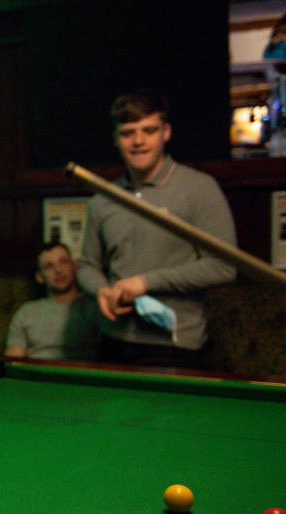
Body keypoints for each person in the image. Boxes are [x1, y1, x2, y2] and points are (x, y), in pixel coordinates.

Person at [76, 90, 237, 368]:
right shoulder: (102, 199)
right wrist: (102, 290)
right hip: (112, 339)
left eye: (148, 131)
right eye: (128, 133)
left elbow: (223, 266)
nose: (138, 141)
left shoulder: (200, 189)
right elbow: (86, 266)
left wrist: (145, 283)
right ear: (116, 139)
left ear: (166, 132)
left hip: (175, 345)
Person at [5, 242, 101, 360]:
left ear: (74, 267)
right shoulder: (26, 313)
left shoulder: (94, 308)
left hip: (82, 374)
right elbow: (12, 361)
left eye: (63, 262)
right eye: (49, 266)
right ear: (40, 277)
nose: (58, 270)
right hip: (37, 374)